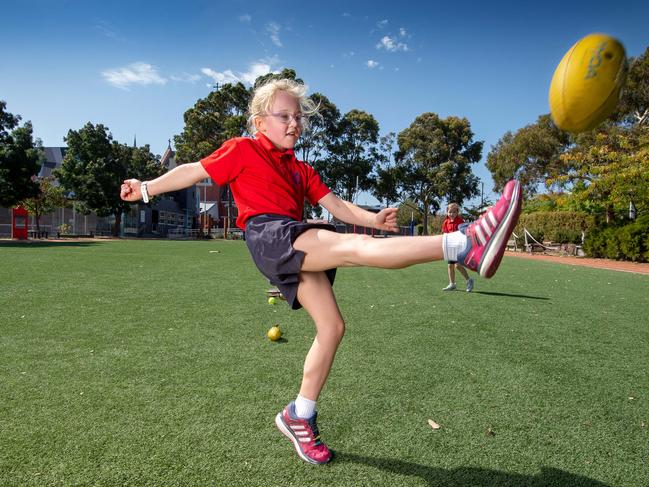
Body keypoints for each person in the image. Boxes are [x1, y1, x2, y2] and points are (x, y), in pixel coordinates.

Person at [120, 78, 522, 465]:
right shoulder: (242, 149)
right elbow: (194, 170)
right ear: (260, 122)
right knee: (353, 248)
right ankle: (465, 243)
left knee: (332, 327)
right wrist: (145, 188)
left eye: (298, 118)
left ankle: (299, 415)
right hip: (270, 233)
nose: (294, 123)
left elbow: (338, 206)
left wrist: (373, 218)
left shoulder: (301, 170)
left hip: (294, 235)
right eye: (284, 117)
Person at [441, 203, 474, 292]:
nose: (451, 214)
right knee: (450, 266)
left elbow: (464, 233)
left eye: (454, 212)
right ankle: (452, 284)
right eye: (450, 212)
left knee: (457, 265)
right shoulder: (445, 222)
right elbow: (445, 234)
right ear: (447, 212)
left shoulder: (460, 221)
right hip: (450, 247)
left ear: (457, 212)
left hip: (459, 246)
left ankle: (469, 280)